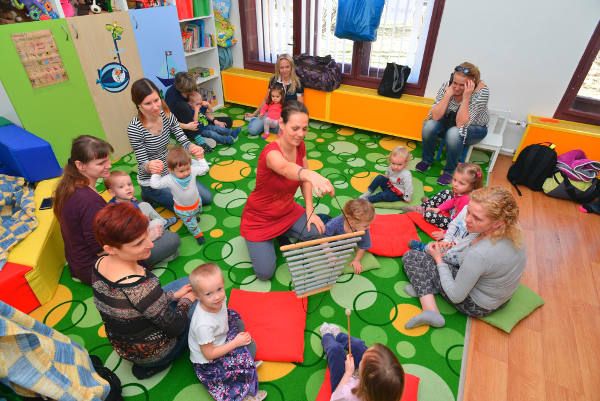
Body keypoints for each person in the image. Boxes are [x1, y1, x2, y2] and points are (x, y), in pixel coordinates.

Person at [54, 135, 180, 285]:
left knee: (135, 204)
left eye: (108, 159)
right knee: (172, 239)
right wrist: (147, 238)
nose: (109, 165)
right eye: (101, 163)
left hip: (79, 261)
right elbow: (102, 249)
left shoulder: (72, 185)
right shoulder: (88, 201)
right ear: (80, 165)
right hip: (95, 266)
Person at [92, 202, 196, 380]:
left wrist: (173, 296)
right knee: (201, 291)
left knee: (185, 286)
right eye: (139, 243)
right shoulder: (141, 286)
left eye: (146, 234)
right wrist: (187, 300)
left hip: (124, 345)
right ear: (110, 249)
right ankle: (157, 363)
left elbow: (139, 304)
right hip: (154, 353)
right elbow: (177, 327)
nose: (150, 244)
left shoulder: (99, 264)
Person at [402, 186, 526, 329]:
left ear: (497, 223)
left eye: (476, 218)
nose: (467, 220)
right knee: (443, 259)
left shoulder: (480, 253)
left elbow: (456, 296)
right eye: (468, 211)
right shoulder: (511, 228)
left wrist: (438, 259)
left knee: (411, 256)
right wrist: (448, 249)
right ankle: (429, 285)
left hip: (477, 305)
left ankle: (431, 311)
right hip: (500, 298)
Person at [240, 101, 335, 281]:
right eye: (295, 128)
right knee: (265, 273)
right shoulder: (271, 153)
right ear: (281, 124)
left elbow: (304, 181)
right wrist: (310, 174)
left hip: (286, 210)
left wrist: (310, 211)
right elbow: (285, 168)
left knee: (316, 231)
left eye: (305, 129)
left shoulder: (300, 146)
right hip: (260, 218)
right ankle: (261, 238)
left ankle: (283, 232)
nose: (301, 134)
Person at [128, 78, 212, 211]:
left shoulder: (166, 115)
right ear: (139, 105)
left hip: (172, 170)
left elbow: (182, 139)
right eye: (148, 103)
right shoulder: (135, 128)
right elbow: (143, 163)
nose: (155, 107)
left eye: (156, 100)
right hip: (153, 180)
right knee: (188, 208)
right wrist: (149, 166)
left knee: (206, 198)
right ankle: (149, 194)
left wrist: (192, 147)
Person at [188, 263, 266, 401]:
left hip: (221, 336)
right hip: (209, 361)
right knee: (247, 351)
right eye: (209, 294)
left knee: (242, 330)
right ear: (197, 296)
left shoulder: (217, 300)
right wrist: (236, 343)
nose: (217, 297)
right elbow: (209, 354)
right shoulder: (203, 325)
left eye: (219, 289)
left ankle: (246, 366)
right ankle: (244, 395)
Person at [415, 62, 489, 185]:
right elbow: (436, 116)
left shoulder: (482, 92)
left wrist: (466, 97)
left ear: (472, 83)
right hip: (450, 121)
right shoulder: (447, 86)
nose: (457, 88)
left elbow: (461, 124)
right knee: (429, 126)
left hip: (474, 128)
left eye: (462, 85)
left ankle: (450, 171)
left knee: (454, 133)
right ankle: (426, 160)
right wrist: (447, 95)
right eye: (455, 83)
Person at [319, 323, 405, 401]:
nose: (362, 357)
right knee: (358, 346)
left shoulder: (347, 396)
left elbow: (334, 398)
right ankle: (339, 336)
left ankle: (327, 336)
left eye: (362, 360)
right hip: (364, 379)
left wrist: (348, 373)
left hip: (343, 385)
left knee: (335, 350)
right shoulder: (385, 392)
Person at [150, 146, 209, 245]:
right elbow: (155, 185)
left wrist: (200, 158)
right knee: (191, 225)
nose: (186, 173)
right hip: (183, 210)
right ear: (171, 170)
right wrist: (156, 173)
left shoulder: (193, 171)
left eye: (187, 169)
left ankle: (195, 216)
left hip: (197, 202)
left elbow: (205, 168)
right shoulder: (168, 179)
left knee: (197, 212)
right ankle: (198, 234)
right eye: (181, 171)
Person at [405, 162, 483, 233]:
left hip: (454, 222)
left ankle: (425, 209)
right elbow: (453, 201)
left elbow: (458, 222)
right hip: (453, 211)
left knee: (428, 215)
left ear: (472, 186)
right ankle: (425, 206)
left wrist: (445, 233)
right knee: (447, 192)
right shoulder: (460, 191)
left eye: (461, 183)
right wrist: (439, 209)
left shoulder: (466, 200)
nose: (455, 184)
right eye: (454, 180)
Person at [104, 170, 177, 241]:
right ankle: (160, 228)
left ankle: (164, 222)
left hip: (141, 220)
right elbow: (128, 229)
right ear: (112, 192)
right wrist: (144, 220)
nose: (128, 188)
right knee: (157, 222)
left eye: (129, 184)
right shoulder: (117, 210)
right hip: (138, 233)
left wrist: (133, 201)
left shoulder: (121, 199)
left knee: (144, 205)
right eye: (121, 187)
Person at [245, 54, 304, 136]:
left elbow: (300, 105)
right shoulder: (274, 80)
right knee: (253, 131)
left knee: (290, 132)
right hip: (271, 113)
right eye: (281, 67)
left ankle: (270, 126)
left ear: (291, 67)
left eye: (287, 67)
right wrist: (255, 113)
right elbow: (266, 100)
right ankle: (262, 122)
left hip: (286, 116)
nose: (284, 70)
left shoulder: (297, 82)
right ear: (278, 68)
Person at [323, 199, 375, 274]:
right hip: (325, 225)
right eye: (366, 225)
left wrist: (356, 260)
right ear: (351, 222)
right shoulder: (334, 223)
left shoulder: (364, 230)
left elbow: (363, 246)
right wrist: (329, 254)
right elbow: (323, 238)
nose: (369, 227)